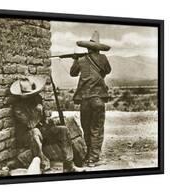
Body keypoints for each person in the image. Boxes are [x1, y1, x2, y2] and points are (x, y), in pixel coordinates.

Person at [10, 76, 84, 172]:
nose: (32, 97)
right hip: (26, 135)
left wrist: (50, 123)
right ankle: (44, 164)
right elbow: (30, 125)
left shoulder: (37, 99)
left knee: (63, 130)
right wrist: (37, 112)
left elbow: (43, 120)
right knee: (35, 132)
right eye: (29, 95)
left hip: (40, 131)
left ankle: (69, 165)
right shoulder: (18, 107)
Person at [70, 31, 112, 167]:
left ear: (88, 48)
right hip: (98, 99)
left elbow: (73, 73)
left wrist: (76, 59)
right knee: (97, 129)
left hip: (85, 100)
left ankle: (89, 155)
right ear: (98, 49)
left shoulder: (81, 60)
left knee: (86, 128)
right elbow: (107, 70)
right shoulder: (103, 59)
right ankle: (93, 158)